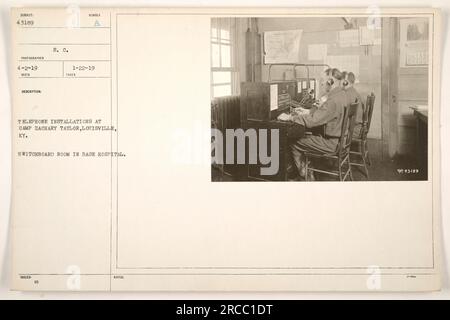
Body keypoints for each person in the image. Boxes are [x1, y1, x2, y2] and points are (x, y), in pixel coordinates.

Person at [278, 68, 348, 180]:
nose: (321, 84)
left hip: (332, 144)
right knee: (307, 134)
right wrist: (308, 112)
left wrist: (290, 117)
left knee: (295, 141)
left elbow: (312, 122)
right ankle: (308, 167)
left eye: (323, 81)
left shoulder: (333, 101)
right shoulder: (342, 94)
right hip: (341, 141)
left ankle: (305, 175)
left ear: (330, 82)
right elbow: (323, 115)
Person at [341, 71, 363, 138]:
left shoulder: (347, 94)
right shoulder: (353, 91)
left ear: (345, 82)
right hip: (356, 127)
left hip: (353, 130)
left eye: (340, 80)